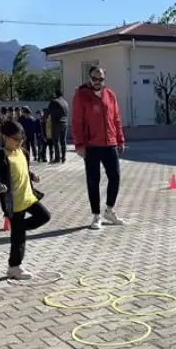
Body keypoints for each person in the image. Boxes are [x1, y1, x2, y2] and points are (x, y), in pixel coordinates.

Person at [0, 120, 51, 280]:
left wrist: (32, 176)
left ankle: (19, 229)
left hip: (28, 198)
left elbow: (23, 170)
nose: (19, 142)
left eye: (21, 138)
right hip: (14, 204)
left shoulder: (23, 152)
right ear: (5, 137)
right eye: (15, 139)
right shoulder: (2, 156)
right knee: (18, 240)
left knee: (44, 216)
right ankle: (14, 267)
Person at [71, 66, 126, 230]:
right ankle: (96, 216)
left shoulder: (111, 95)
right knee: (93, 181)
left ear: (104, 79)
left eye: (100, 79)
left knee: (115, 177)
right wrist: (79, 144)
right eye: (94, 78)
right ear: (90, 78)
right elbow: (76, 121)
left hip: (110, 144)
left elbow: (116, 119)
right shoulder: (81, 95)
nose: (97, 82)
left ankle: (109, 210)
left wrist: (120, 139)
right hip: (91, 145)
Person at [48, 91, 69, 163]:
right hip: (65, 123)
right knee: (63, 141)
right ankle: (63, 158)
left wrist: (43, 118)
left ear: (56, 94)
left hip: (56, 123)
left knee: (56, 141)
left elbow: (48, 112)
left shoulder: (54, 102)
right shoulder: (65, 102)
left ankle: (57, 158)